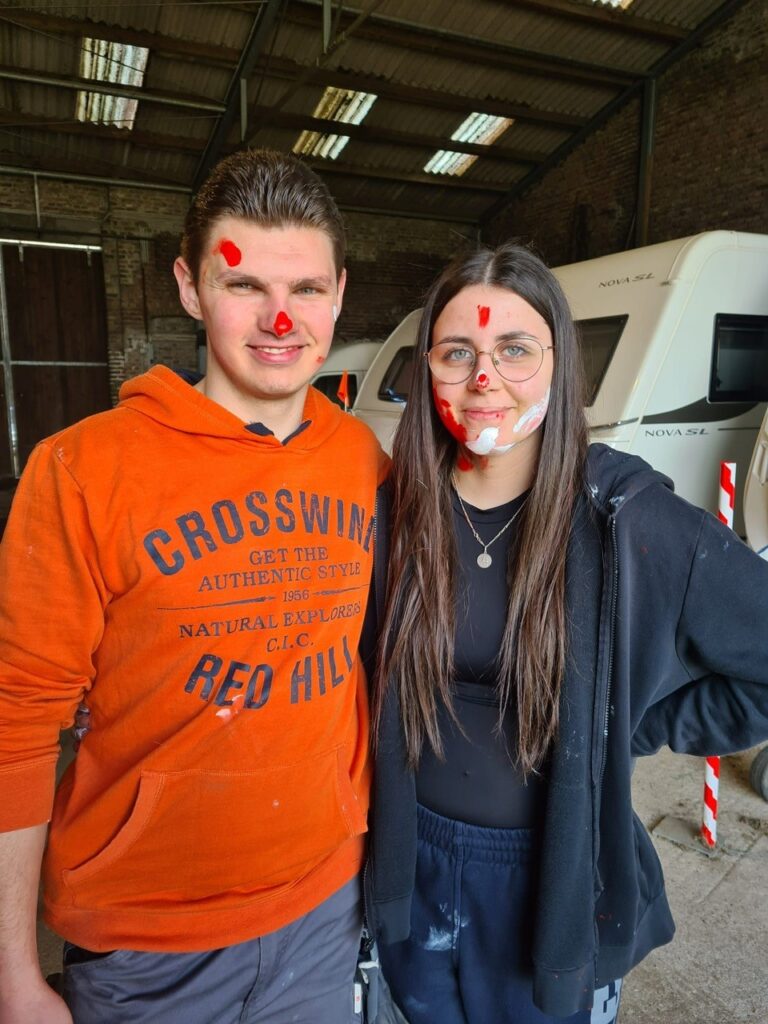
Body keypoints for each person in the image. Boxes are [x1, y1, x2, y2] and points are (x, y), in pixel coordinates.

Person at [0, 148, 387, 1024]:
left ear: (338, 294)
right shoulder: (81, 470)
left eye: (308, 290)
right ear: (188, 285)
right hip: (146, 944)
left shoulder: (363, 460)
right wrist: (14, 977)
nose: (281, 321)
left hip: (325, 911)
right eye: (245, 285)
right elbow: (15, 725)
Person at [366, 243, 768, 1024]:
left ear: (560, 362)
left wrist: (631, 725)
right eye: (458, 353)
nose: (486, 378)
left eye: (515, 350)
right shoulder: (395, 513)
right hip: (409, 869)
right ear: (428, 372)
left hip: (554, 881)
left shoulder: (627, 517)